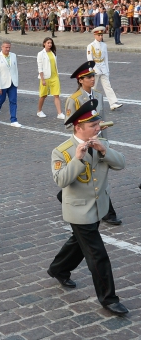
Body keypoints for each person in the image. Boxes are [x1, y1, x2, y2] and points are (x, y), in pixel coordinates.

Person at [47, 100, 127, 315]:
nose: (98, 128)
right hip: (78, 210)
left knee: (77, 242)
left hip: (97, 208)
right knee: (97, 254)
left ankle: (58, 269)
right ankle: (109, 299)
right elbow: (61, 180)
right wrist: (78, 159)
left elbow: (121, 163)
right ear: (78, 127)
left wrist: (103, 151)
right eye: (93, 126)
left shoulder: (101, 143)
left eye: (98, 124)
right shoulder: (62, 151)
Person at [63, 61, 120, 226]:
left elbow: (100, 118)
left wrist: (104, 141)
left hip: (99, 142)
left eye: (93, 76)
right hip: (84, 144)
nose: (92, 79)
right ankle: (107, 212)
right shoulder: (73, 99)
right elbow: (68, 124)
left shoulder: (99, 96)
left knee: (100, 175)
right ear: (80, 80)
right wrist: (85, 130)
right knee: (89, 176)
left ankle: (106, 211)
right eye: (88, 77)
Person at [87, 26, 123, 111]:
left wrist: (107, 70)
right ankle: (90, 104)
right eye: (99, 35)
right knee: (93, 87)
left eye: (101, 35)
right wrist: (94, 69)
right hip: (95, 69)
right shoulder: (90, 46)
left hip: (103, 67)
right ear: (95, 35)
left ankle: (113, 103)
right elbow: (90, 59)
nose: (100, 37)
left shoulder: (104, 45)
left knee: (108, 86)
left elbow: (106, 58)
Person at [0, 41, 20, 127]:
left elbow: (15, 69)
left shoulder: (13, 55)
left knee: (13, 101)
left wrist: (16, 81)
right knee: (1, 100)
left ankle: (13, 120)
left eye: (9, 47)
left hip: (12, 83)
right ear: (2, 47)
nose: (8, 49)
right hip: (2, 83)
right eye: (6, 47)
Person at [36, 38, 65, 119]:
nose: (50, 44)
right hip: (45, 77)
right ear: (44, 43)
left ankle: (59, 113)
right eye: (48, 43)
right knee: (43, 95)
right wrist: (42, 79)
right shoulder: (41, 54)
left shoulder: (53, 53)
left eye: (51, 43)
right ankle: (39, 111)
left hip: (55, 77)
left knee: (56, 95)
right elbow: (40, 68)